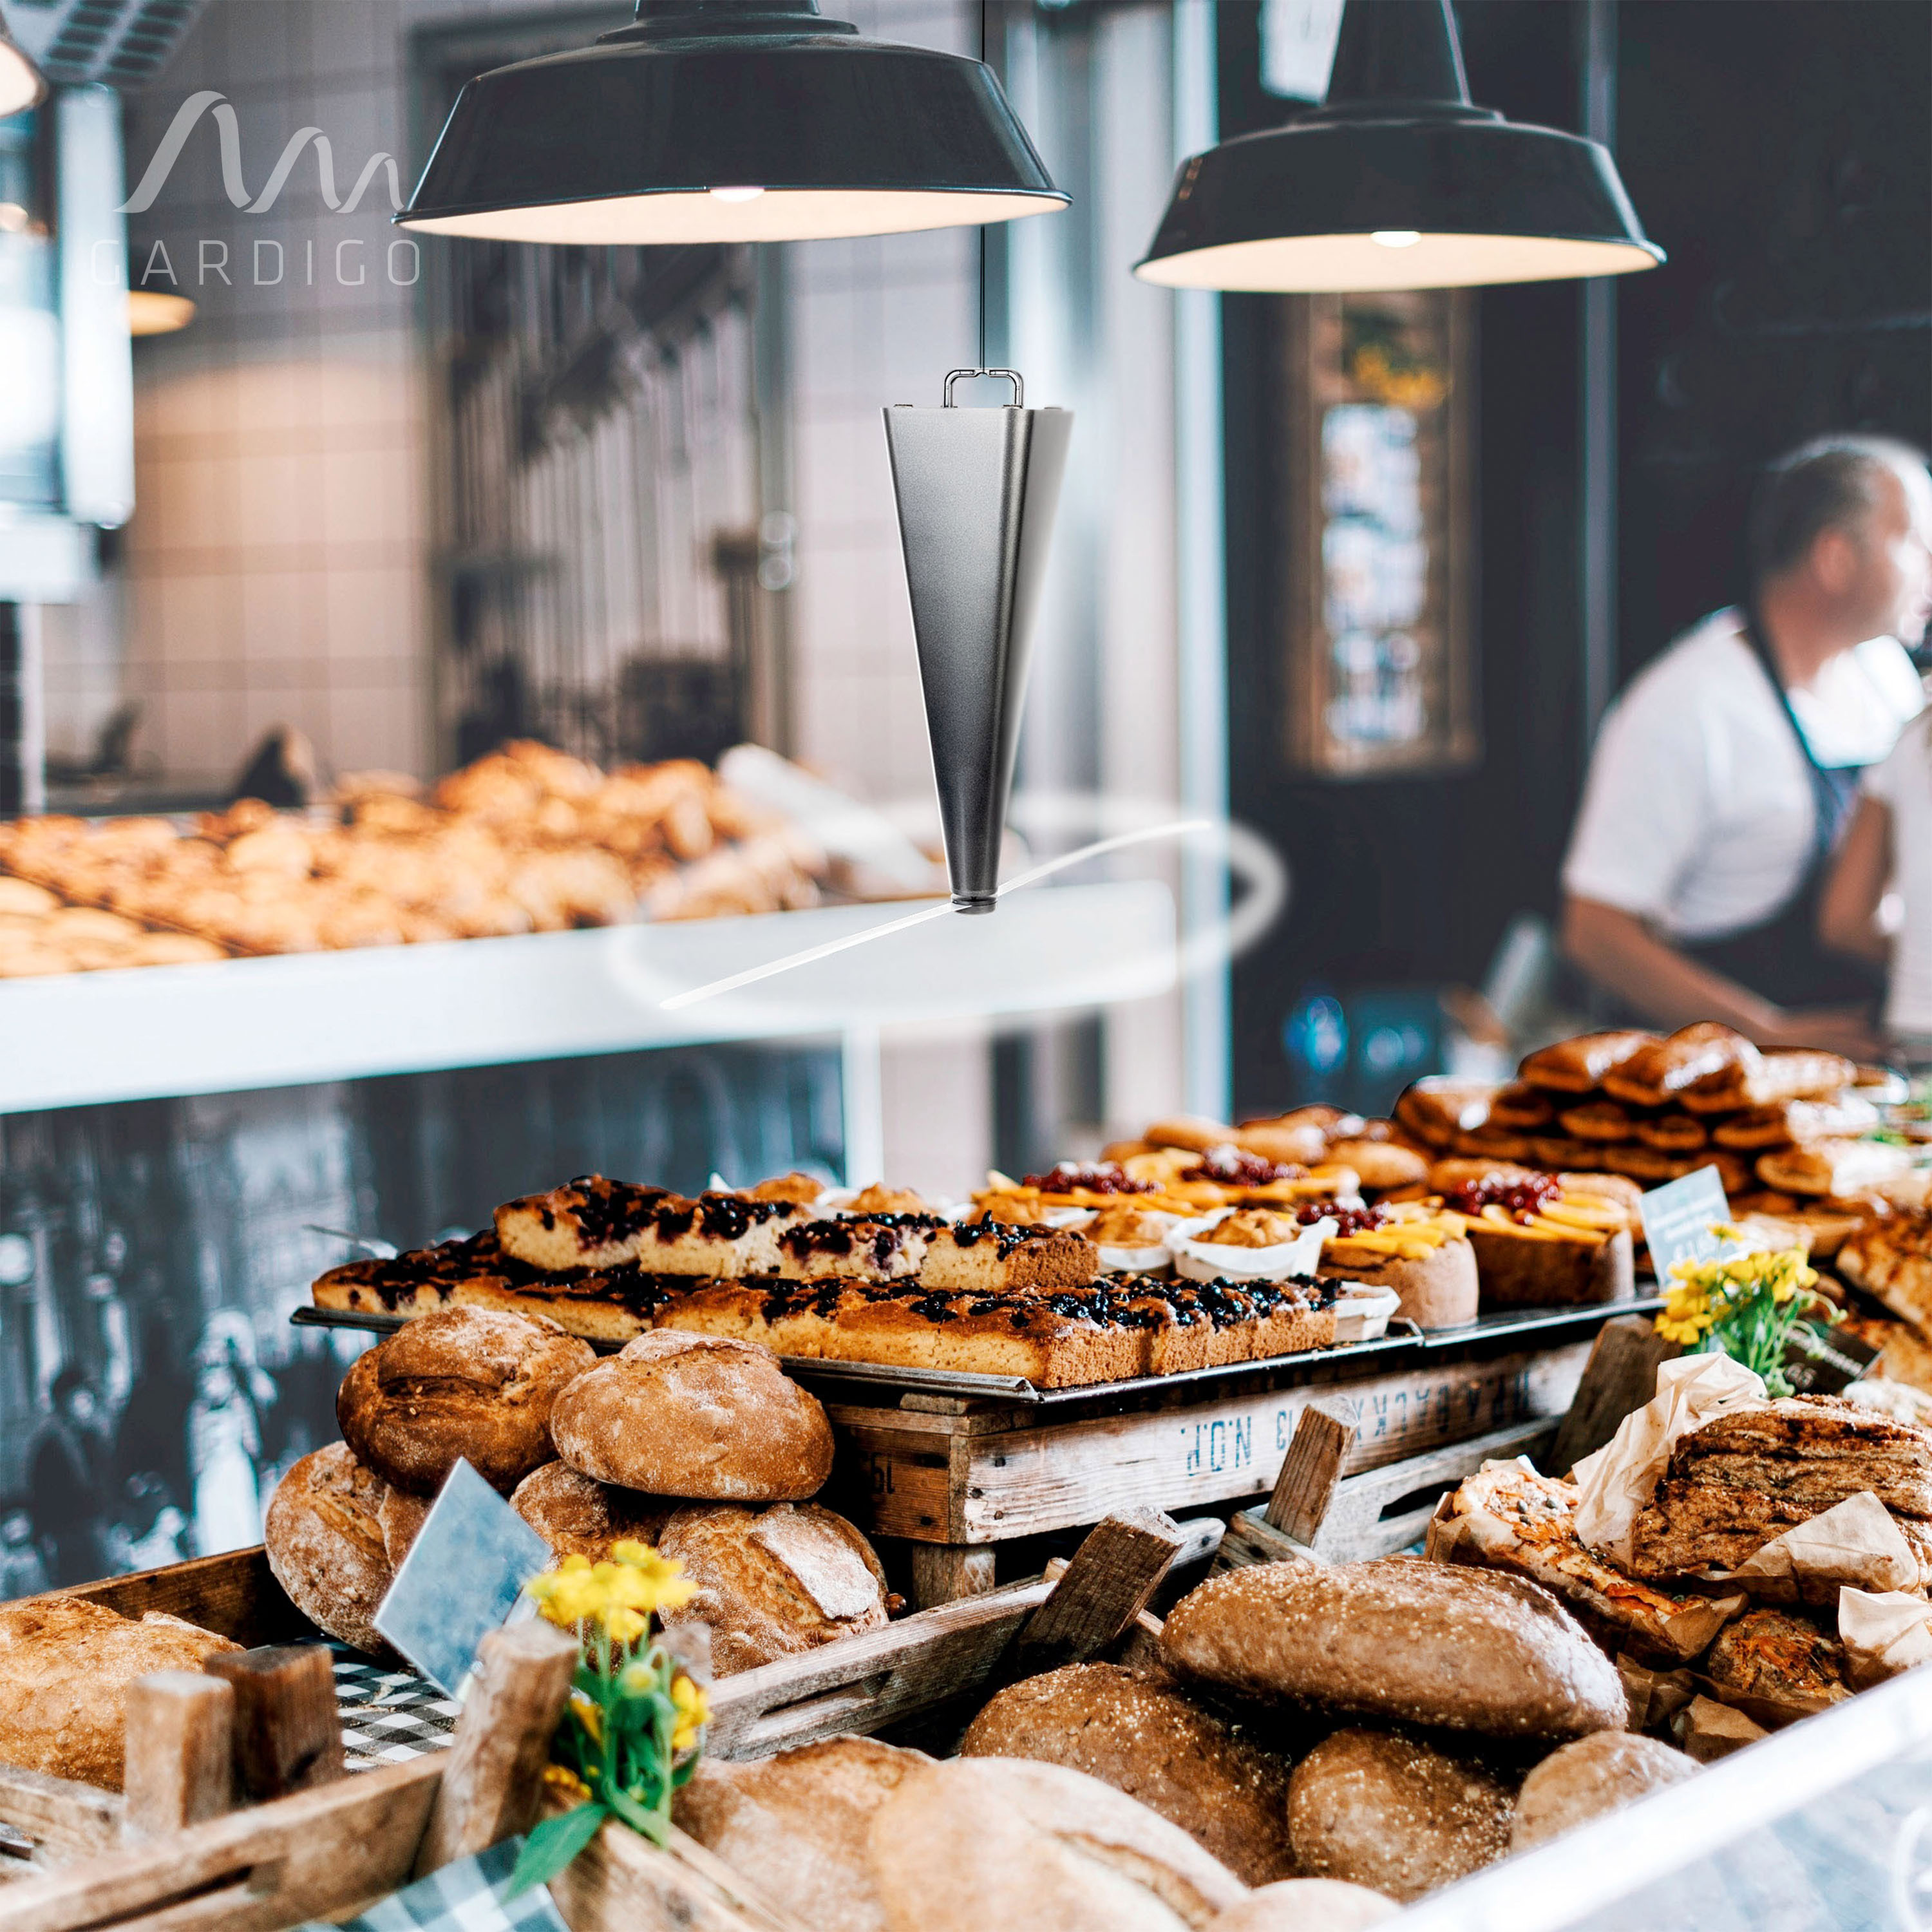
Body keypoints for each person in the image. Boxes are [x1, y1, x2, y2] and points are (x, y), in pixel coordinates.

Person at [1562, 435, 1932, 1056]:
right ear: (1836, 557)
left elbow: (1856, 911)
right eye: (1916, 544)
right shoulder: (1687, 706)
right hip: (1721, 1083)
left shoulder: (1885, 676)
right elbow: (1594, 934)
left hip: (1864, 1071)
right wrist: (1765, 1034)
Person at [29, 1368, 114, 1585]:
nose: (87, 1404)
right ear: (65, 1402)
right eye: (80, 1398)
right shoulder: (50, 1446)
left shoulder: (94, 1437)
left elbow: (107, 1484)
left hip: (99, 1531)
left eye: (89, 1397)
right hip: (70, 1539)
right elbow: (42, 1499)